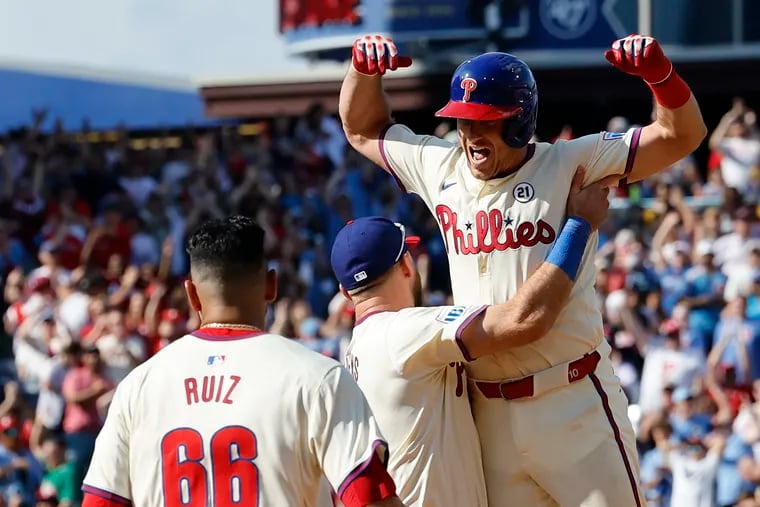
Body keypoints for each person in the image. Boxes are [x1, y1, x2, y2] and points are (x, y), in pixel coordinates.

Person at [339, 33, 707, 506]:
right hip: (488, 416)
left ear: (519, 121)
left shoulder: (572, 162)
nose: (470, 134)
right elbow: (362, 128)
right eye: (462, 121)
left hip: (571, 396)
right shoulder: (440, 165)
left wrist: (661, 77)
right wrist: (362, 70)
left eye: (484, 122)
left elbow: (682, 135)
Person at [330, 168, 611, 506]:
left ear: (346, 294)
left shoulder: (355, 350)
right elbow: (525, 319)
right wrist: (579, 227)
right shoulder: (404, 332)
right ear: (406, 265)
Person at [80, 215, 404, 507]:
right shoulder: (319, 377)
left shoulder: (137, 387)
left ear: (192, 295)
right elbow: (371, 500)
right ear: (271, 285)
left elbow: (100, 502)